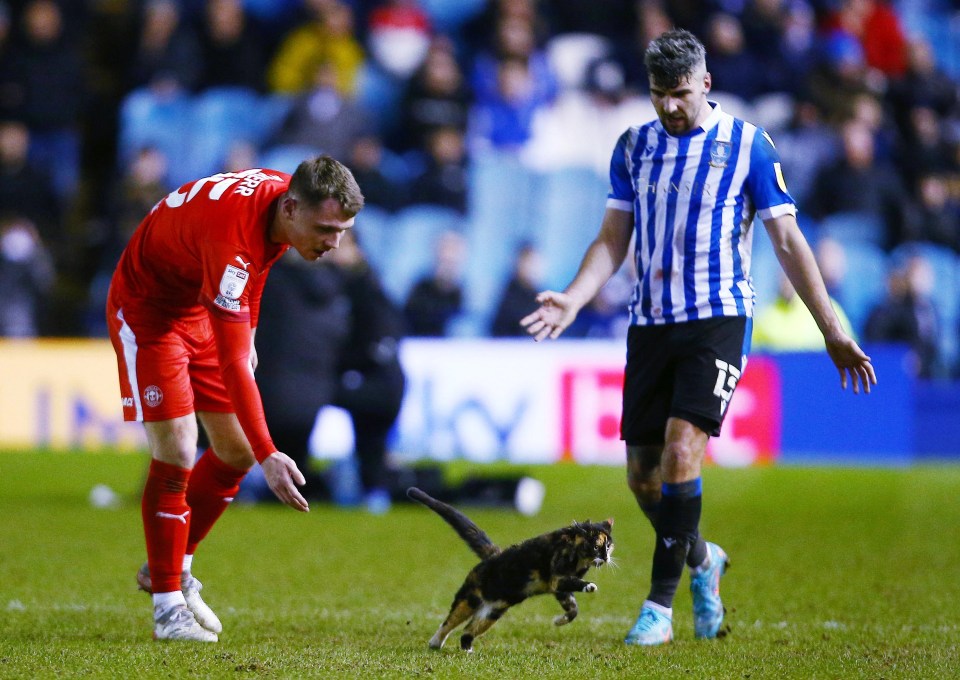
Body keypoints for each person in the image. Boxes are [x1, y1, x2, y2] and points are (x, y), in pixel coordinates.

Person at [520, 29, 876, 647]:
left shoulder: (748, 145)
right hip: (651, 321)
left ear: (705, 84)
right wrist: (575, 298)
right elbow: (612, 238)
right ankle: (703, 560)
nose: (669, 107)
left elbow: (787, 241)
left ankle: (659, 608)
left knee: (683, 451)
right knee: (642, 478)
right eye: (659, 94)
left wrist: (832, 329)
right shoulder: (633, 147)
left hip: (718, 316)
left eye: (680, 93)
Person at [106, 155, 364, 642]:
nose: (335, 243)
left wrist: (249, 335)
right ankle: (166, 608)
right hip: (149, 310)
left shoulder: (277, 205)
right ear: (291, 208)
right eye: (327, 229)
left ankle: (175, 568)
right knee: (180, 450)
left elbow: (257, 269)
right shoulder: (233, 244)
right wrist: (270, 455)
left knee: (234, 449)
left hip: (198, 302)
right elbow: (233, 360)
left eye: (344, 230)